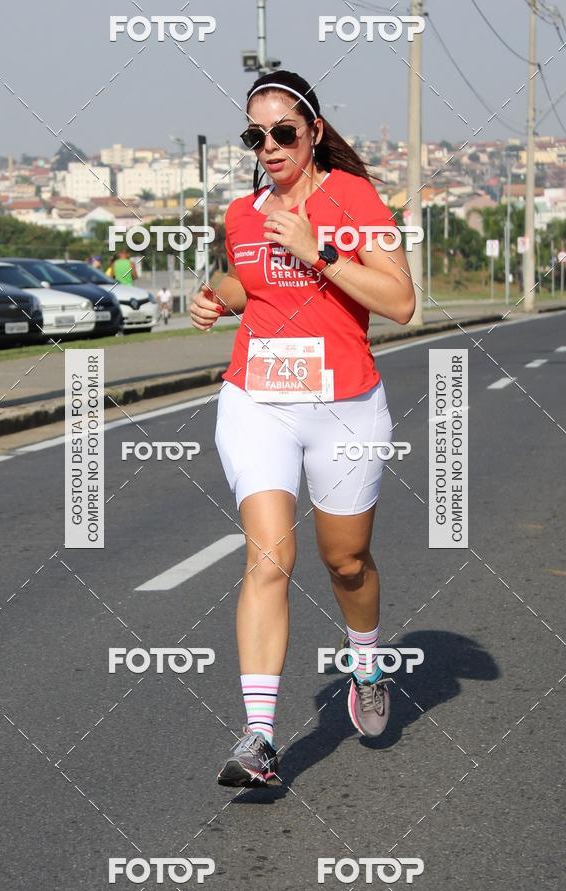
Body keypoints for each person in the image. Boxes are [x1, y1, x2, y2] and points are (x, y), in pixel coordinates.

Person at [190, 70, 415, 789]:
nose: (270, 146)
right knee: (268, 557)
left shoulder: (355, 200)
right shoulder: (242, 211)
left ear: (314, 131)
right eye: (256, 136)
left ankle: (368, 661)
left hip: (346, 404)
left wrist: (319, 249)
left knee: (346, 561)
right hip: (257, 399)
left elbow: (401, 301)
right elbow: (243, 280)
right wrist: (216, 296)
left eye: (284, 131)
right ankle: (259, 736)